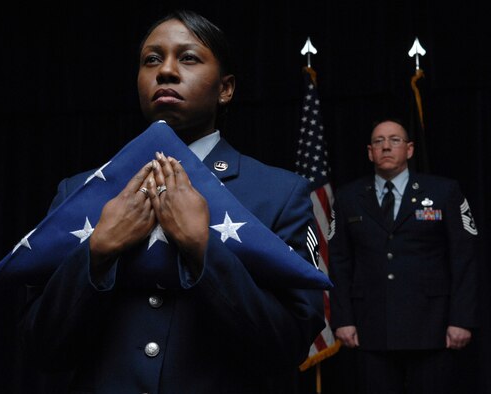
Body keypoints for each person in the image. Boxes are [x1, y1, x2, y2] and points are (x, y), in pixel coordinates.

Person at [20, 9, 325, 394]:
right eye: (152, 59)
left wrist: (203, 250)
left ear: (225, 88)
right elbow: (40, 349)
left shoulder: (281, 194)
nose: (165, 71)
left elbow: (287, 348)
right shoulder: (79, 193)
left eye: (188, 57)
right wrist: (97, 252)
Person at [328, 118, 478, 393]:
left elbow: (464, 259)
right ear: (370, 152)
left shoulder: (443, 192)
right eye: (379, 141)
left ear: (409, 149)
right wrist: (342, 318)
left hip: (432, 325)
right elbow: (339, 262)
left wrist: (462, 319)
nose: (386, 147)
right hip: (370, 326)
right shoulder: (348, 196)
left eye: (394, 140)